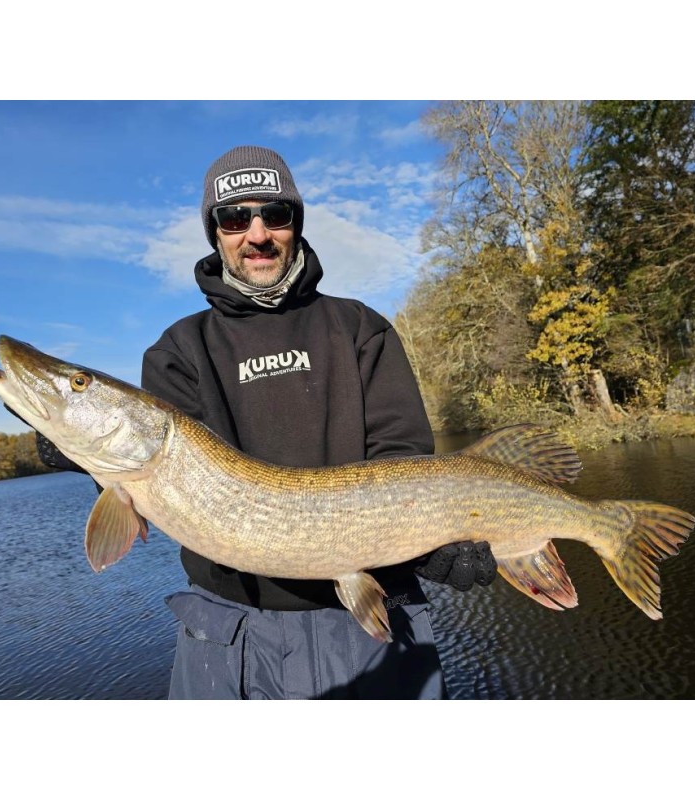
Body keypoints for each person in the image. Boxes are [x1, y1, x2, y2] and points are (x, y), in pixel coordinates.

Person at [135, 145, 497, 699]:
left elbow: (401, 456)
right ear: (216, 234)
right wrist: (85, 456)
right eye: (235, 218)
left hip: (374, 615)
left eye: (274, 214)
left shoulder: (359, 328)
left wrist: (432, 538)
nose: (257, 234)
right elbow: (156, 477)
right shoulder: (178, 351)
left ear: (295, 224)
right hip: (229, 630)